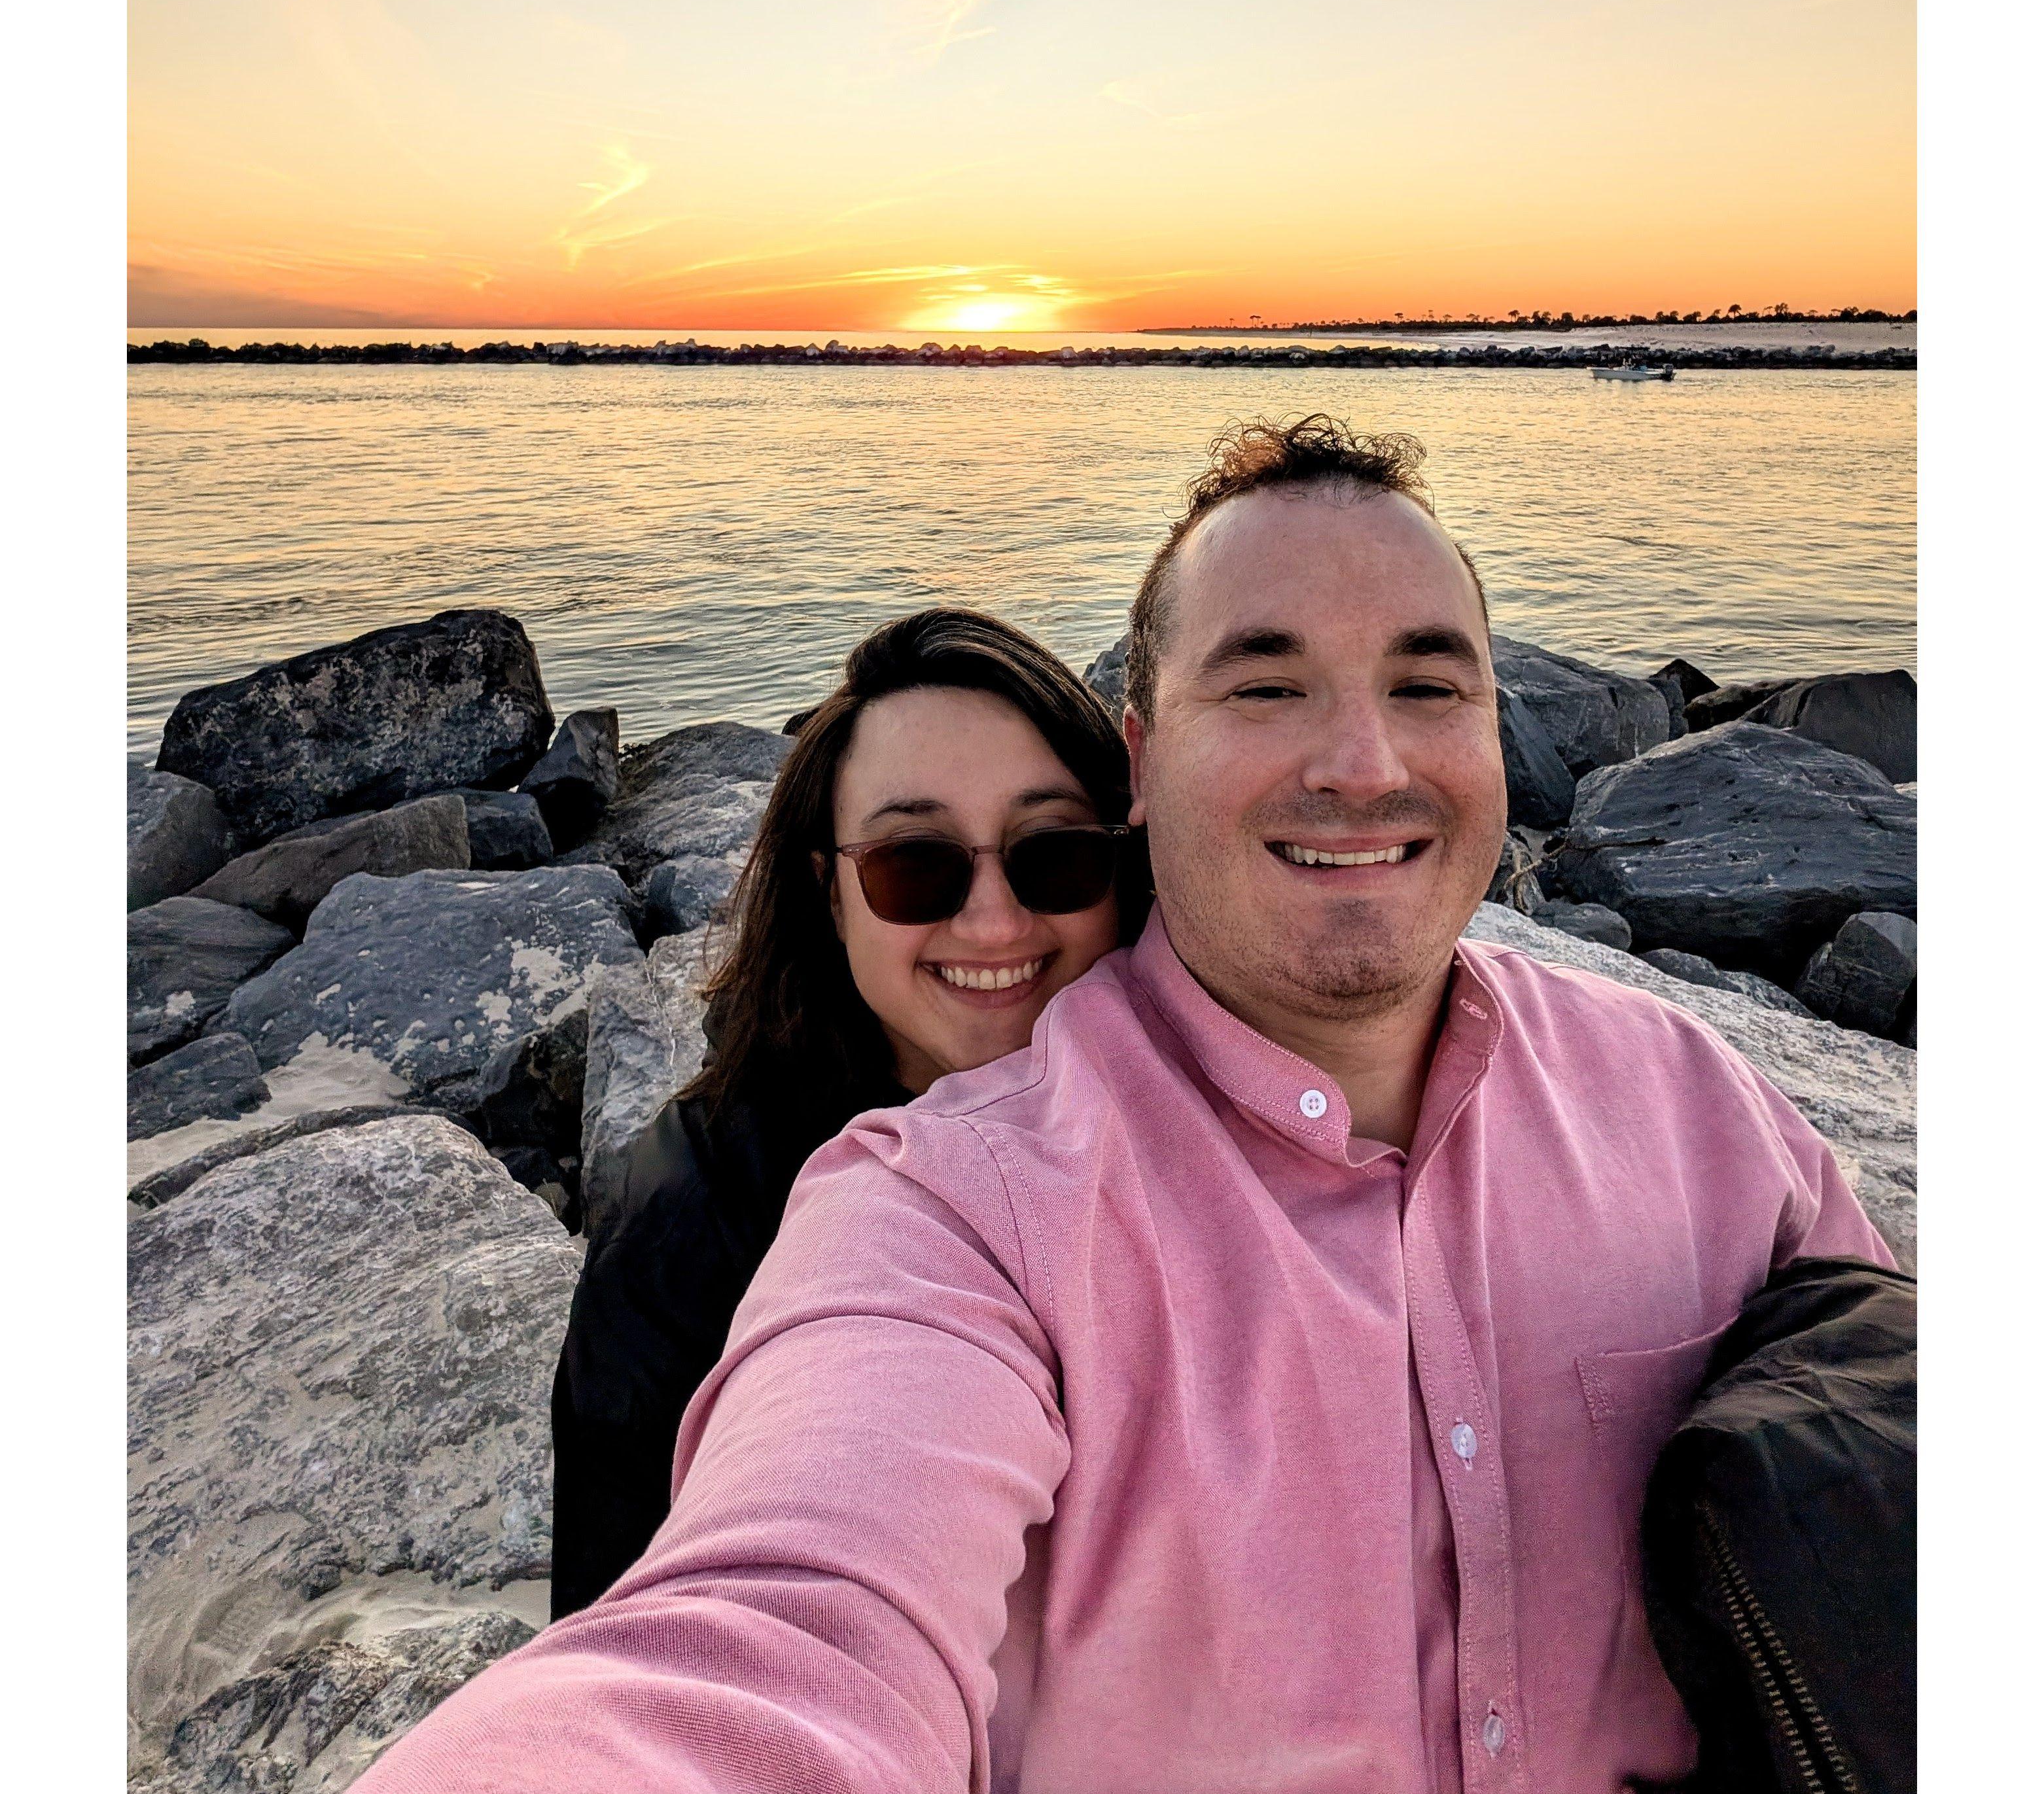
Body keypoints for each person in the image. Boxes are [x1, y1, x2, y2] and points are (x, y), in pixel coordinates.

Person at [359, 416, 1890, 1794]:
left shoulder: (1695, 1106)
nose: (1362, 763)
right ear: (1147, 763)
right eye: (1266, 684)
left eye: (1427, 685)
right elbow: (773, 1631)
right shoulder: (935, 1205)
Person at [552, 607, 1147, 1617]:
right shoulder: (699, 1227)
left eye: (1055, 852)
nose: (993, 923)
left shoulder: (1213, 1119)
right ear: (830, 893)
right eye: (915, 864)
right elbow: (635, 1616)